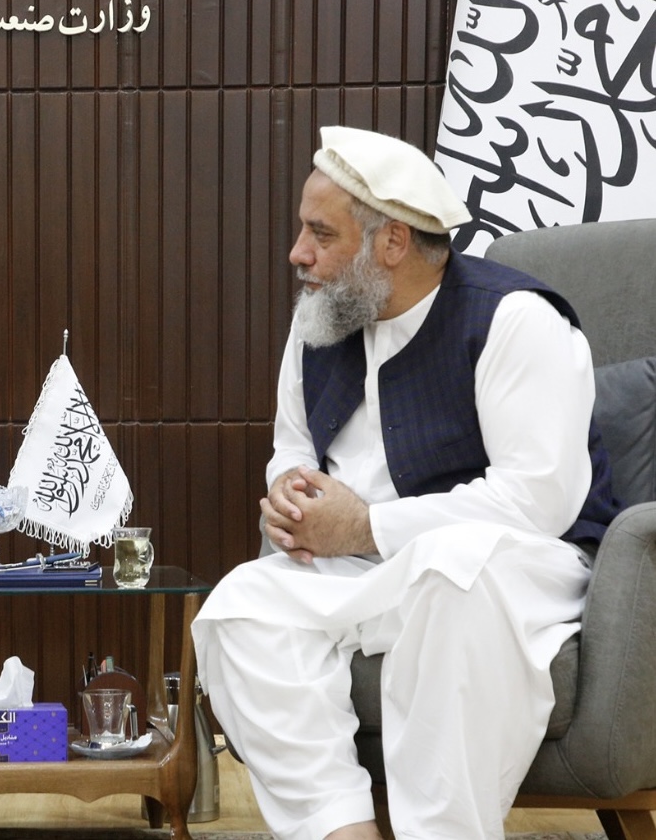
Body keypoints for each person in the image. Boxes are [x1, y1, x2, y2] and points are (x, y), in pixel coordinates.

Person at [191, 126, 620, 840]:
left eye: (320, 234)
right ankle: (340, 829)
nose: (298, 253)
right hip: (365, 567)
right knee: (239, 609)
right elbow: (292, 445)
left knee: (451, 574)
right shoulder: (322, 319)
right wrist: (290, 493)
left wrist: (366, 526)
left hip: (512, 564)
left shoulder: (515, 320)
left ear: (391, 241)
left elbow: (537, 500)